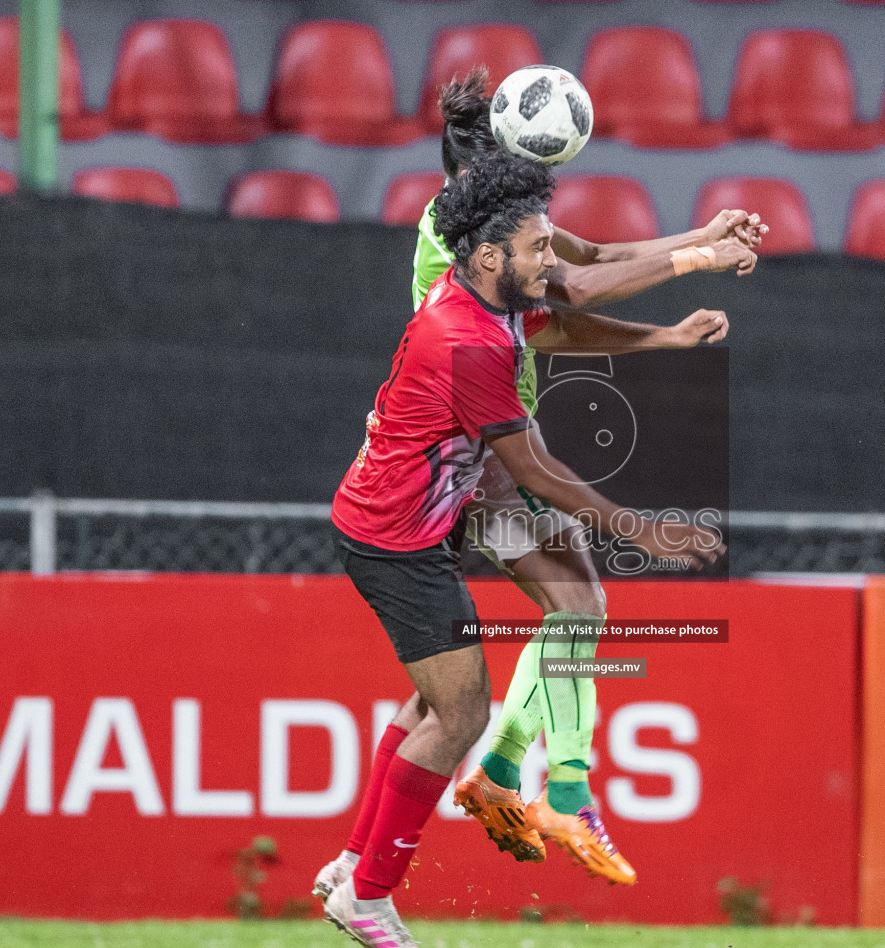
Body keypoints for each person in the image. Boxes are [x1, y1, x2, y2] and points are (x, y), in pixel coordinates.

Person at [316, 69, 764, 903]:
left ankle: (504, 796)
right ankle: (546, 788)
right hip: (478, 464)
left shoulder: (492, 221)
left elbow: (586, 268)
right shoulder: (476, 238)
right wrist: (702, 255)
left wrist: (695, 241)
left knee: (506, 655)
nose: (546, 216)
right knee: (575, 611)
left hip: (473, 457)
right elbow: (581, 288)